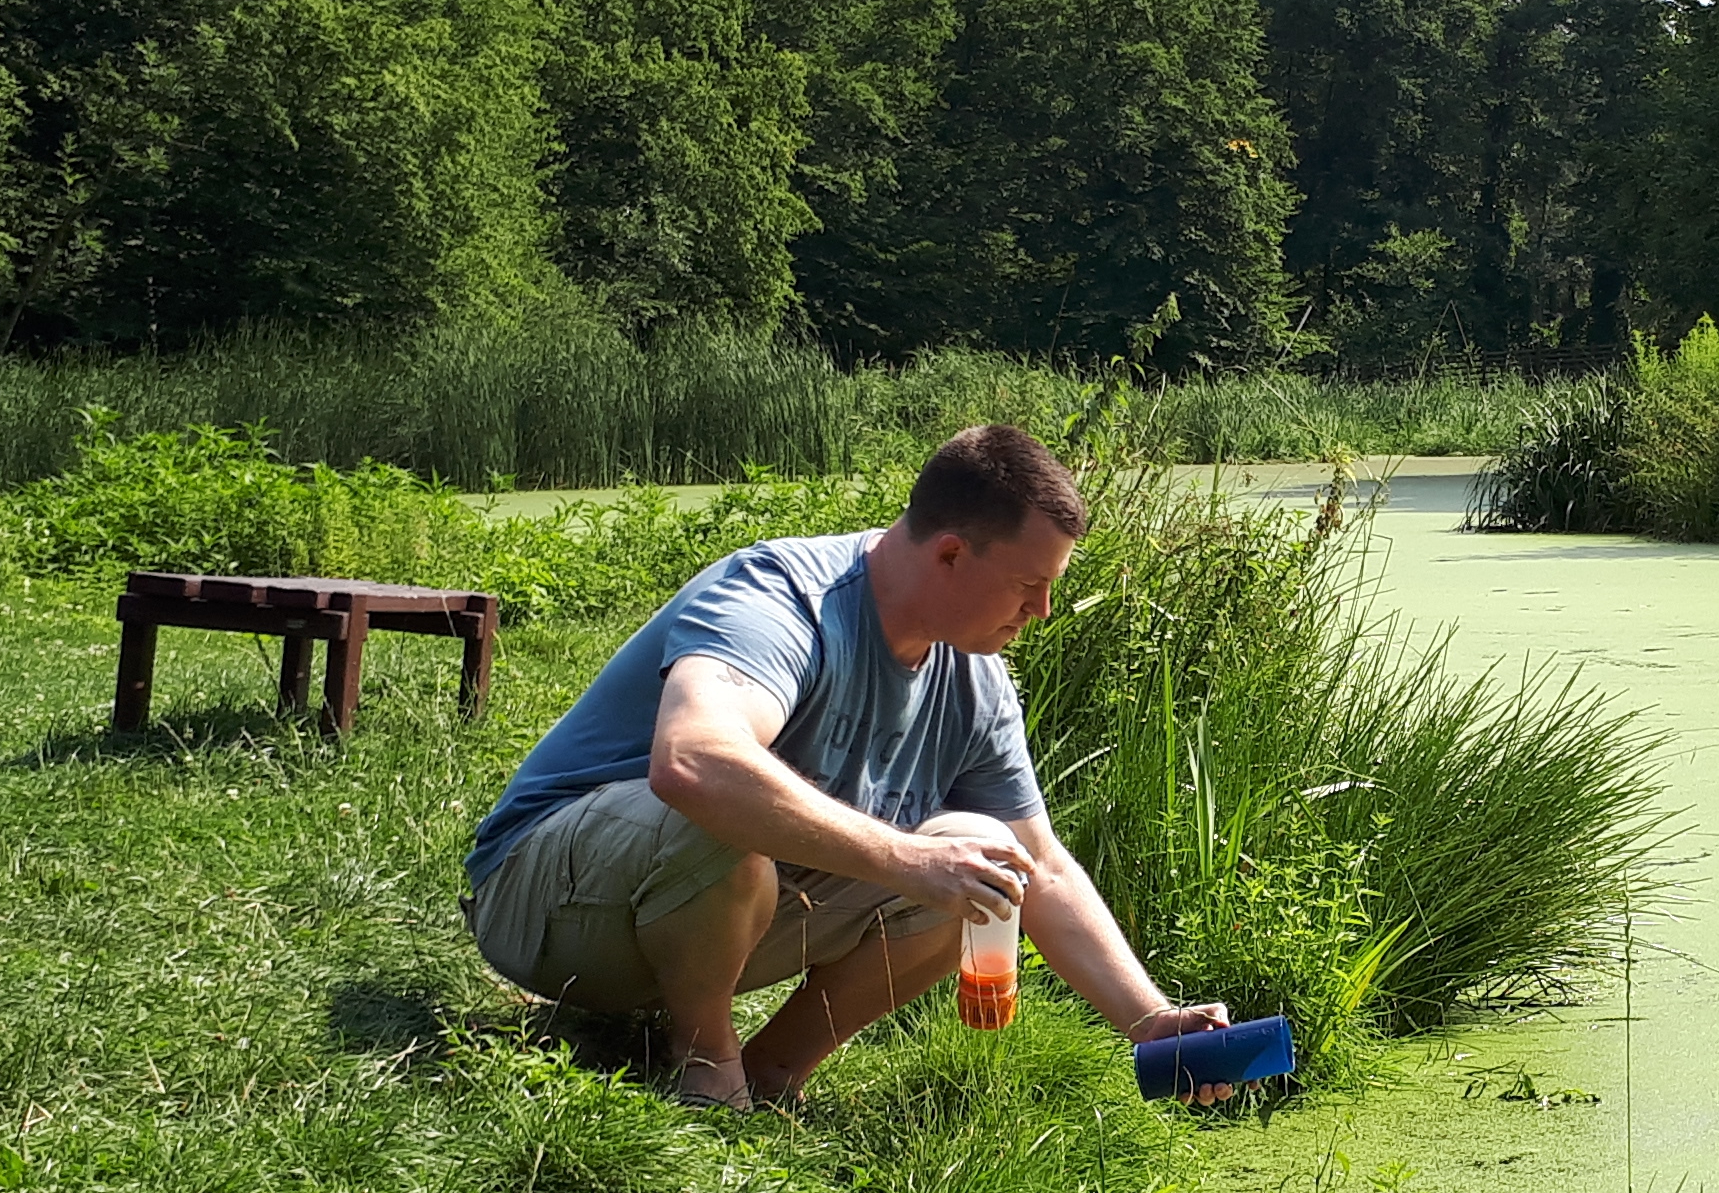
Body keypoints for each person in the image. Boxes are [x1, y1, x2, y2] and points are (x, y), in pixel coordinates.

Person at [463, 423, 1233, 1109]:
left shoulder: (975, 680)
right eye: (1030, 585)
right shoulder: (783, 599)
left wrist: (1152, 1020)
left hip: (701, 911)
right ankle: (706, 1062)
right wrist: (907, 857)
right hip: (545, 906)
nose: (1042, 612)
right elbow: (693, 761)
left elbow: (1043, 868)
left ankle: (771, 1076)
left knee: (983, 855)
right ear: (952, 553)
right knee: (729, 804)